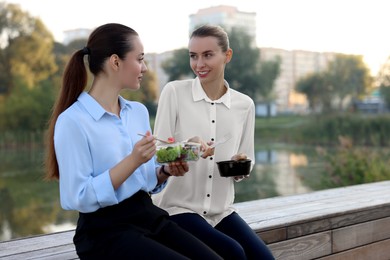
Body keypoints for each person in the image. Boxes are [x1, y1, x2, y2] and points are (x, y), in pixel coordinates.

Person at [45, 23, 222, 260]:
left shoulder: (136, 112)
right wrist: (133, 160)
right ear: (115, 62)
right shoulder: (72, 121)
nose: (145, 68)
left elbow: (146, 179)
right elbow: (78, 196)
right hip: (104, 231)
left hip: (147, 215)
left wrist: (167, 169)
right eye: (139, 59)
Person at [152, 24, 275, 260]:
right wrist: (190, 148)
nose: (199, 64)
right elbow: (159, 154)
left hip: (221, 211)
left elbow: (246, 159)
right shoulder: (174, 92)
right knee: (233, 252)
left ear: (227, 55)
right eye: (193, 56)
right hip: (178, 209)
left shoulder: (244, 105)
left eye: (208, 55)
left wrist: (240, 166)